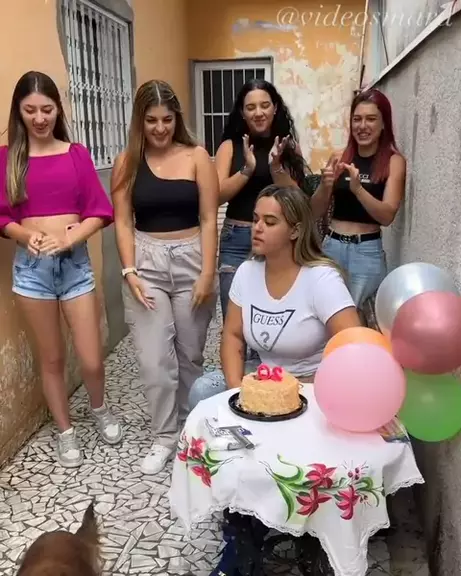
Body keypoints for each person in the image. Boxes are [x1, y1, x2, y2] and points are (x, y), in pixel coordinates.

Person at [0, 71, 123, 468]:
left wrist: (72, 238)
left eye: (47, 109)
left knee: (91, 358)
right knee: (51, 358)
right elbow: (2, 216)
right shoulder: (8, 158)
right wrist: (24, 234)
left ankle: (99, 408)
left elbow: (100, 211)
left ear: (58, 109)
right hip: (31, 270)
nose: (39, 118)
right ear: (18, 112)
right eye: (30, 110)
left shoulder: (76, 154)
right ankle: (65, 431)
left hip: (75, 266)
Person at [111, 80, 219, 475]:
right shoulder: (127, 162)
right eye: (152, 120)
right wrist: (129, 270)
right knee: (155, 360)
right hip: (146, 264)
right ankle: (164, 436)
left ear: (177, 119)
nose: (160, 128)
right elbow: (123, 221)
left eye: (167, 119)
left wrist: (207, 271)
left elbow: (209, 217)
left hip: (192, 260)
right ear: (140, 121)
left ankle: (192, 431)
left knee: (190, 356)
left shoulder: (197, 157)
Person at [188, 184, 361, 411]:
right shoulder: (247, 271)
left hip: (314, 383)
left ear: (295, 231)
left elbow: (354, 344)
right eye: (255, 219)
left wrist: (316, 388)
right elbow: (232, 336)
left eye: (269, 222)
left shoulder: (321, 279)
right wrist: (238, 392)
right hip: (266, 377)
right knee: (203, 389)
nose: (257, 228)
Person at [214, 79, 312, 320]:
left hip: (279, 241)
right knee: (235, 319)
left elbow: (298, 200)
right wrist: (247, 170)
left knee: (272, 316)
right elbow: (216, 195)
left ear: (275, 108)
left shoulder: (288, 146)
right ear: (242, 112)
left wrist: (276, 167)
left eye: (264, 105)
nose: (258, 112)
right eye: (251, 107)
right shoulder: (230, 146)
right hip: (236, 239)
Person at [310, 89, 406, 311]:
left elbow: (387, 216)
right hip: (332, 246)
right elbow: (314, 212)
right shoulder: (339, 157)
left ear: (383, 124)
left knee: (359, 319)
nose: (362, 126)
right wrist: (325, 186)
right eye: (357, 119)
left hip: (366, 252)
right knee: (325, 314)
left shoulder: (394, 162)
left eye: (371, 119)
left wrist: (358, 190)